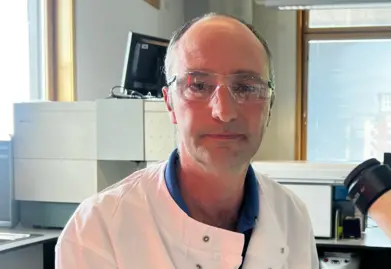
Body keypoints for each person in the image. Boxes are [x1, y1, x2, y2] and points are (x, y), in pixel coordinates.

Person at [55, 13, 319, 269]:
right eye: (199, 85)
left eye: (246, 87)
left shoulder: (292, 216)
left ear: (269, 104)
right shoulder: (98, 231)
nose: (224, 111)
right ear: (169, 102)